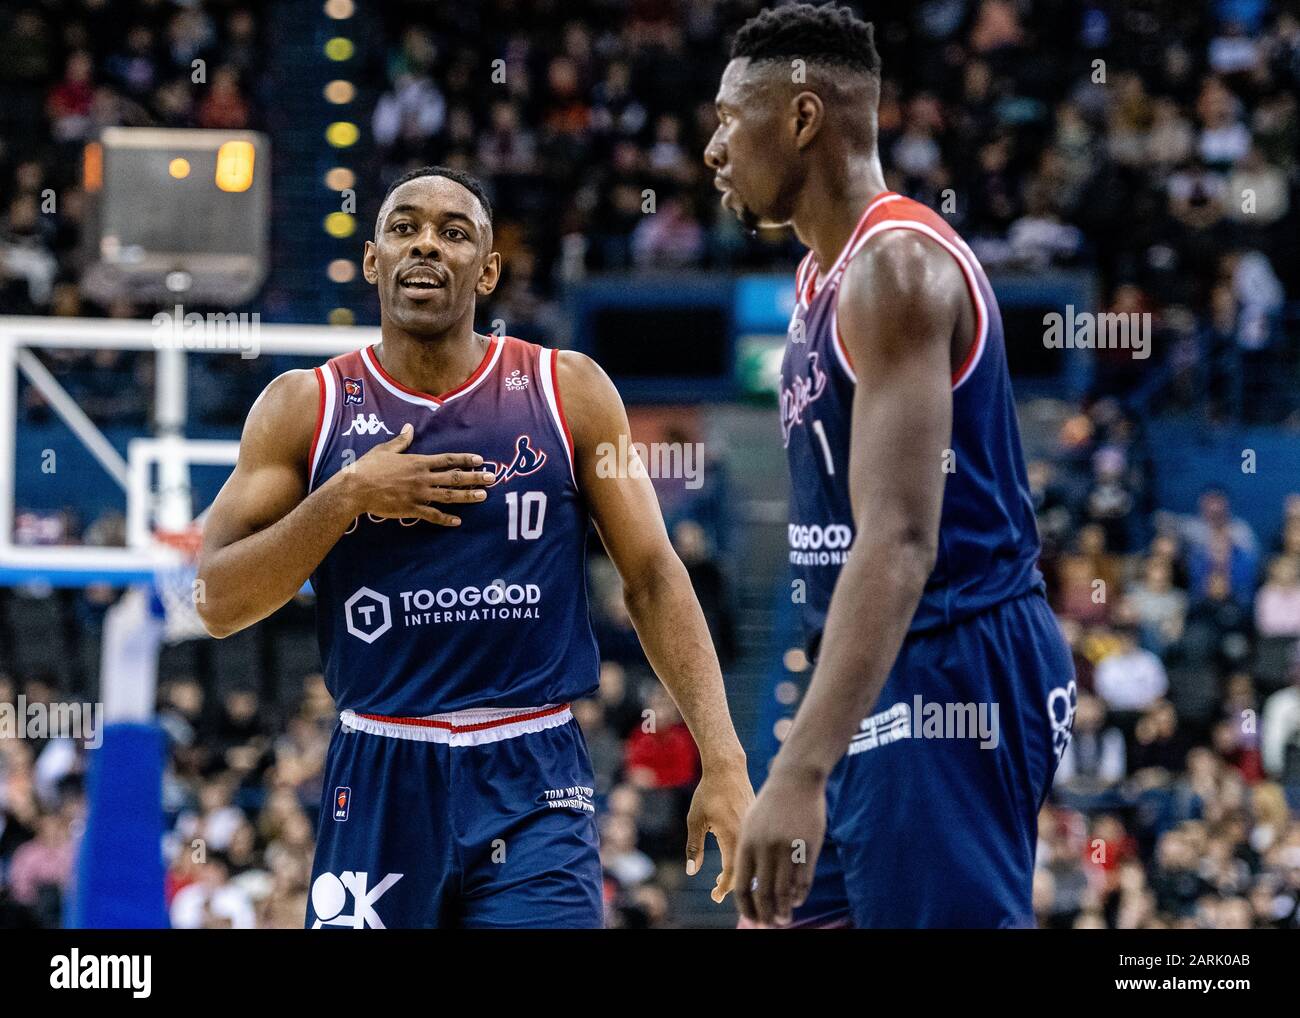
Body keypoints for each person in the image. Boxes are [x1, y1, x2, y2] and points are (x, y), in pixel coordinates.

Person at [195, 166, 752, 928]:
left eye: (454, 233)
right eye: (404, 228)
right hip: (382, 767)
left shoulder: (570, 390)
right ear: (372, 259)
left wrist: (722, 757)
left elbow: (654, 576)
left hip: (534, 775)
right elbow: (218, 601)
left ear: (487, 270)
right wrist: (347, 496)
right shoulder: (303, 407)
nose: (427, 244)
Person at [704, 4, 1074, 928]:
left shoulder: (896, 269)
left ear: (800, 118)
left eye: (725, 118)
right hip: (875, 662)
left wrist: (798, 768)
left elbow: (902, 541)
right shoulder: (816, 280)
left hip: (954, 659)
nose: (711, 148)